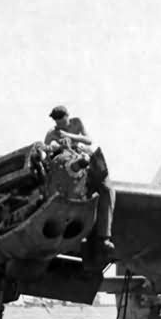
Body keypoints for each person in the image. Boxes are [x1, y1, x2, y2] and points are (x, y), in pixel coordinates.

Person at [46, 105, 114, 270]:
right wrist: (56, 146)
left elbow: (89, 140)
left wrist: (69, 136)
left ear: (68, 116)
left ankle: (104, 237)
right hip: (69, 170)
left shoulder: (77, 123)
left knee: (107, 189)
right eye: (57, 121)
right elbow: (49, 150)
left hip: (87, 160)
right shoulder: (51, 134)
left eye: (62, 119)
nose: (60, 124)